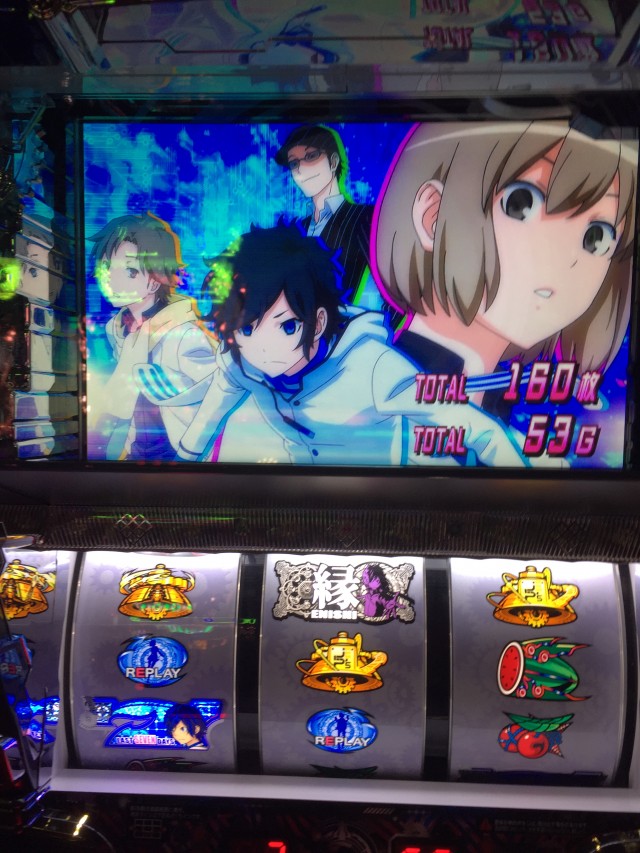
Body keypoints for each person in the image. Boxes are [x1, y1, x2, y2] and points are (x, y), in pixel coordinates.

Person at [141, 222, 524, 468]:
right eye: (247, 329)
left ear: (319, 322)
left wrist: (521, 493)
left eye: (287, 326)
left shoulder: (374, 368)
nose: (262, 349)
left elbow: (478, 430)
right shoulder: (242, 362)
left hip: (388, 512)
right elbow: (207, 419)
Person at [372, 121, 637, 422]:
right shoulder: (376, 384)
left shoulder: (499, 398)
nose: (566, 258)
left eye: (597, 237)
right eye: (521, 204)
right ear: (433, 216)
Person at [88, 212, 217, 460]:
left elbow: (215, 393)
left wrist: (170, 388)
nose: (112, 279)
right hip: (137, 451)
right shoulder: (117, 329)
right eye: (106, 267)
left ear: (156, 281)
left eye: (130, 271)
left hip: (179, 454)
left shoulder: (183, 334)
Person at [274, 125, 373, 302]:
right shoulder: (296, 229)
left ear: (333, 162)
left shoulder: (363, 217)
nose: (301, 169)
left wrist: (385, 321)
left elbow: (395, 288)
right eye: (294, 163)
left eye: (311, 156)